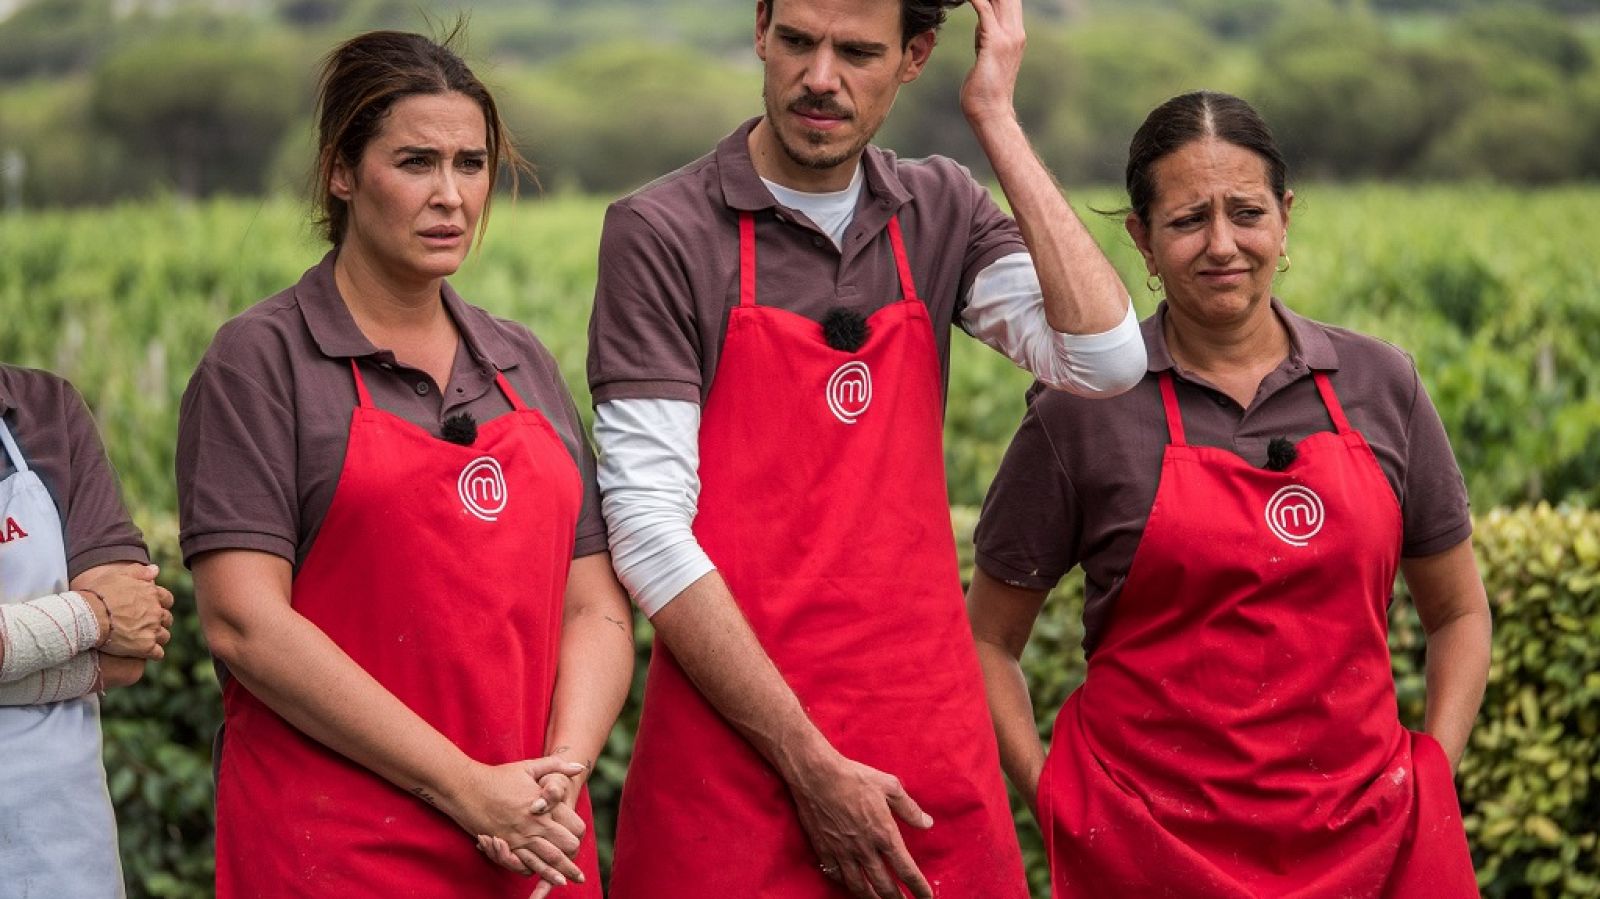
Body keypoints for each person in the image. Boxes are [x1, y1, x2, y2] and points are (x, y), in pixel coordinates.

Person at [589, 0, 1147, 895]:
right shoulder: (663, 233)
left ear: (915, 55)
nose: (820, 78)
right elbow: (649, 529)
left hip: (927, 741)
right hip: (735, 756)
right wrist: (808, 760)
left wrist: (996, 120)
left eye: (857, 52)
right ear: (762, 29)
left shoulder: (939, 211)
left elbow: (1105, 358)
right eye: (800, 42)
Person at [967, 89, 1491, 897]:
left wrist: (1430, 775)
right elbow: (988, 641)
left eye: (1246, 212)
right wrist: (1061, 802)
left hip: (1373, 847)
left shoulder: (1381, 384)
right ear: (1140, 239)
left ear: (1284, 218)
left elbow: (1459, 611)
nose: (1223, 245)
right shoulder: (1083, 410)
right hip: (1148, 858)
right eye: (1186, 221)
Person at [176, 29, 633, 898]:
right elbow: (244, 623)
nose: (451, 196)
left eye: (471, 164)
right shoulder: (261, 362)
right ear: (342, 172)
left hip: (530, 846)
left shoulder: (520, 361)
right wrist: (469, 790)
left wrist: (558, 777)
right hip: (339, 852)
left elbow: (596, 601)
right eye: (416, 162)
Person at [0, 363, 174, 897]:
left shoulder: (45, 408)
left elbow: (128, 648)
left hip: (61, 856)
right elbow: (112, 623)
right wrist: (91, 617)